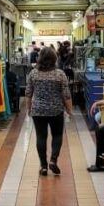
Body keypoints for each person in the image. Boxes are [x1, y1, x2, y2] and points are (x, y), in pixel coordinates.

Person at [25, 46, 73, 176]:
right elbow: (66, 94)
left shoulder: (33, 73)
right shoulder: (60, 74)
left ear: (39, 58)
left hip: (38, 110)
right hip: (56, 110)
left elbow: (28, 93)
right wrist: (69, 110)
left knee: (41, 136)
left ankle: (43, 166)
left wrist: (29, 109)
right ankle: (53, 160)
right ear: (54, 59)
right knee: (57, 135)